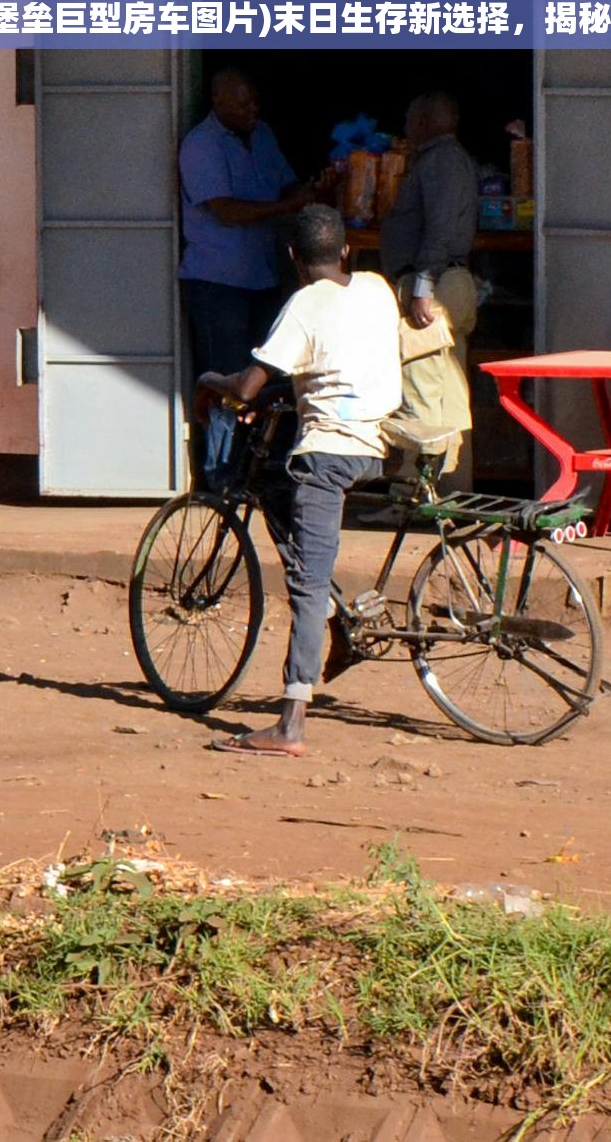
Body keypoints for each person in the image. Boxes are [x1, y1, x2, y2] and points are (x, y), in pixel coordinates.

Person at [193, 202, 401, 757]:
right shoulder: (378, 288)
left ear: (292, 257)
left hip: (328, 454)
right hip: (376, 447)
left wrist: (210, 381)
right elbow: (346, 360)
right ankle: (338, 627)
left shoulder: (303, 305)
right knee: (292, 520)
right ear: (346, 251)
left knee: (306, 587)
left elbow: (247, 387)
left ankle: (290, 723)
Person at [177, 70, 313, 487]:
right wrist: (287, 207)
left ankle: (258, 472)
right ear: (218, 101)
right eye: (244, 103)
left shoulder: (263, 134)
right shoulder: (200, 145)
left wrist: (314, 189)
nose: (253, 109)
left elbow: (287, 182)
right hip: (218, 283)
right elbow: (227, 212)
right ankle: (221, 477)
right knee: (225, 384)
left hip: (263, 278)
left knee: (267, 382)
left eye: (256, 102)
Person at [378, 89, 480, 471]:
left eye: (408, 120)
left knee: (421, 390)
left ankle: (414, 495)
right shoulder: (451, 161)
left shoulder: (440, 162)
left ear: (421, 122)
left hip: (433, 286)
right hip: (447, 281)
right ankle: (449, 492)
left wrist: (421, 288)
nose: (405, 128)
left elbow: (438, 230)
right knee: (448, 394)